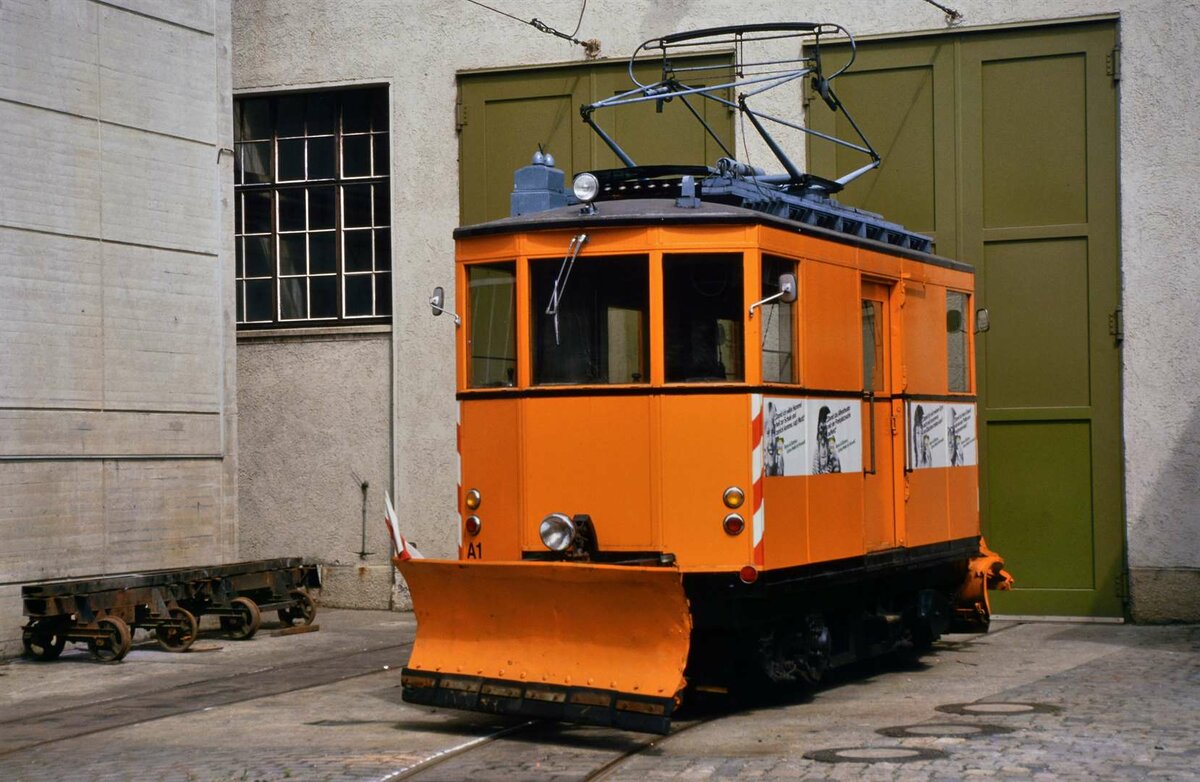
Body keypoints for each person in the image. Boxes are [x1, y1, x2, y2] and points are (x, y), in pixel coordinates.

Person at [812, 405, 841, 474]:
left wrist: (827, 472)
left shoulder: (830, 443)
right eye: (822, 421)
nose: (823, 425)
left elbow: (835, 463)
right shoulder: (817, 447)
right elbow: (815, 468)